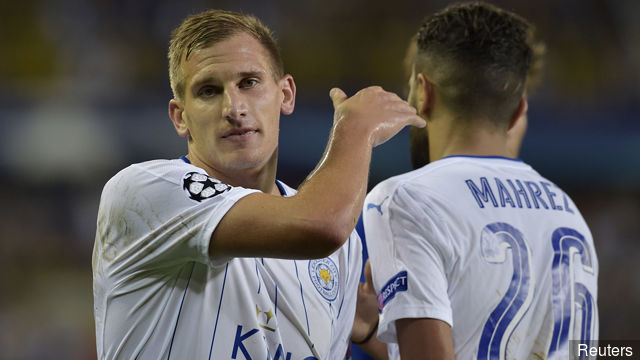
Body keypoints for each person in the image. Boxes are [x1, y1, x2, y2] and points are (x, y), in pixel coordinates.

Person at [92, 9, 424, 360]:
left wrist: (372, 329)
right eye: (208, 91)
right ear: (180, 116)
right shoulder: (143, 191)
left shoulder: (344, 251)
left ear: (286, 95)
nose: (234, 108)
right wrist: (355, 128)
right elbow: (320, 222)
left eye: (249, 83)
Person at [362, 2, 598, 359]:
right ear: (518, 110)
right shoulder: (569, 212)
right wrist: (373, 336)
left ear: (424, 93)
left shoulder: (405, 198)